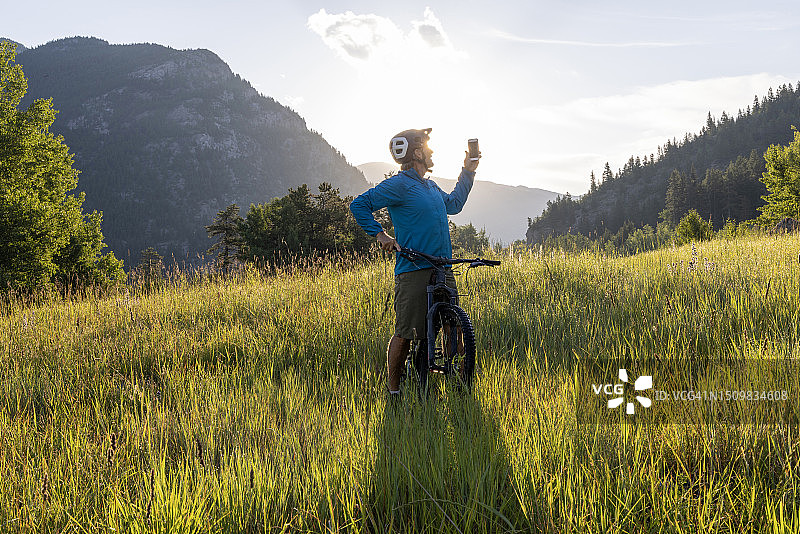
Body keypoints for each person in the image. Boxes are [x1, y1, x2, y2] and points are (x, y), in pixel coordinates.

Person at [349, 128, 480, 399]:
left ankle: (455, 380)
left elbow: (454, 204)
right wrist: (381, 234)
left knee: (454, 326)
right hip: (413, 269)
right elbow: (359, 205)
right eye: (427, 147)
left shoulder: (430, 186)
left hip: (443, 266)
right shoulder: (398, 185)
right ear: (417, 152)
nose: (431, 151)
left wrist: (468, 171)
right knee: (406, 333)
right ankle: (394, 391)